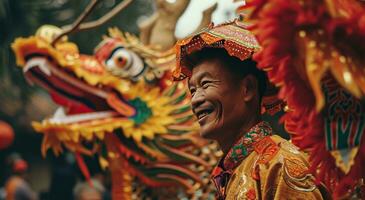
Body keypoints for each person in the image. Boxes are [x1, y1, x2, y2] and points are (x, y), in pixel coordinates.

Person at [173, 20, 329, 199]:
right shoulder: (234, 172)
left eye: (206, 84)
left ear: (247, 88)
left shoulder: (280, 163)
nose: (195, 100)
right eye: (192, 90)